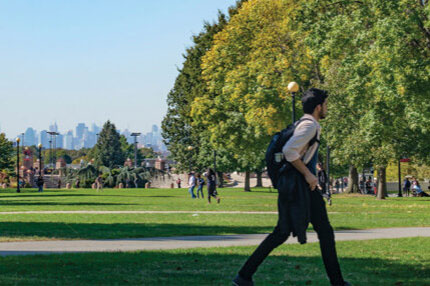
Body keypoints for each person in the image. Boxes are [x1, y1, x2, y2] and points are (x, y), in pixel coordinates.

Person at [233, 88, 349, 286]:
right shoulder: (309, 126)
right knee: (284, 232)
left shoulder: (303, 124)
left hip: (300, 187)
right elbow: (289, 151)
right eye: (326, 105)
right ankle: (243, 276)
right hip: (299, 187)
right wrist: (309, 175)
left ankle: (337, 282)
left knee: (321, 231)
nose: (327, 108)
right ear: (318, 107)